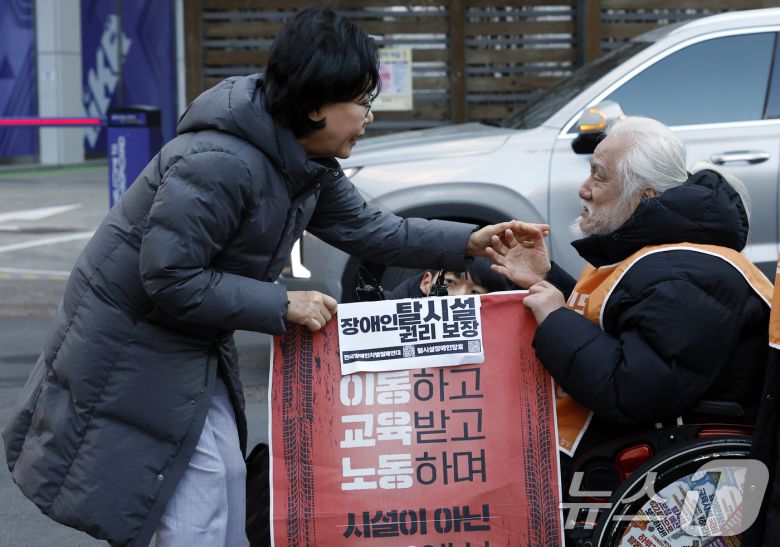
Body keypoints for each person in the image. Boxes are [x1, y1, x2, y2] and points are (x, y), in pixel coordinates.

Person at [2, 8, 533, 547]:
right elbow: (171, 278)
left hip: (185, 342)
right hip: (133, 348)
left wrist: (467, 241)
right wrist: (282, 304)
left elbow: (375, 230)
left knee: (226, 479)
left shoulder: (302, 159)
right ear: (314, 106)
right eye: (362, 102)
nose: (369, 116)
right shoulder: (217, 163)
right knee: (198, 500)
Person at [488, 117, 772, 475]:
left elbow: (633, 390)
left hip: (654, 455)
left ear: (646, 196)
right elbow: (614, 324)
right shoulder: (666, 254)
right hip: (638, 437)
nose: (583, 188)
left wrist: (556, 319)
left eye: (599, 175)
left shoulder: (683, 274)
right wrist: (547, 279)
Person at [384, 257, 512, 299]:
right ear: (426, 282)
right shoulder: (376, 311)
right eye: (450, 282)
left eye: (475, 293)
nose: (459, 297)